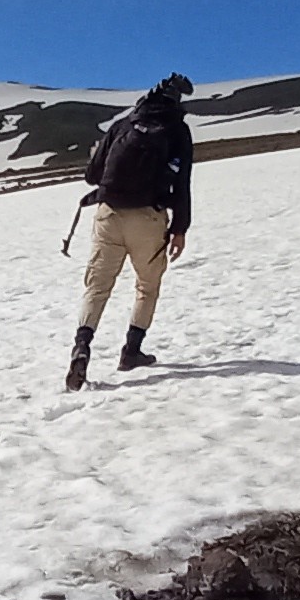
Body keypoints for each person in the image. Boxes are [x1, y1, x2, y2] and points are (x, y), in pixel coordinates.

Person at [66, 73, 195, 390]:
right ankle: (131, 350)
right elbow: (182, 183)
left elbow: (92, 175)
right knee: (146, 287)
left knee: (97, 287)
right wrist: (179, 228)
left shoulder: (123, 125)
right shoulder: (177, 130)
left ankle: (82, 345)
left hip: (108, 214)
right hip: (148, 219)